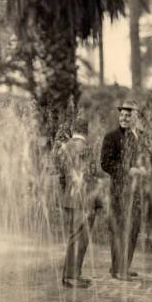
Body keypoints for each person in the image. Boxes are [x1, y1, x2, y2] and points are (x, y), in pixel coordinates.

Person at [101, 100, 152, 280]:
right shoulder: (111, 137)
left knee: (133, 229)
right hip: (119, 192)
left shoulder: (142, 136)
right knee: (119, 229)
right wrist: (128, 170)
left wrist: (147, 170)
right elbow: (105, 164)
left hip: (137, 192)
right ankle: (118, 270)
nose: (123, 118)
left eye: (128, 115)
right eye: (122, 115)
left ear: (136, 116)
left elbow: (148, 159)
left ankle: (124, 266)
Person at [58, 118, 101, 289]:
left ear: (73, 130)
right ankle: (72, 276)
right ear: (85, 131)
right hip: (83, 200)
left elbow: (62, 176)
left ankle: (69, 274)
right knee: (80, 239)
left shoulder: (65, 147)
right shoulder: (85, 148)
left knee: (73, 237)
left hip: (70, 198)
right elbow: (89, 175)